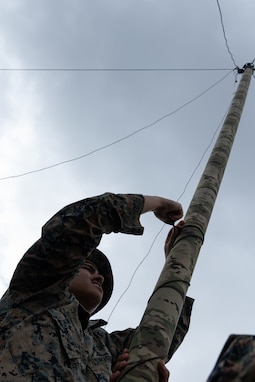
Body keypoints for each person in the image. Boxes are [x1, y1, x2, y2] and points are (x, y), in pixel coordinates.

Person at [0, 192, 193, 381]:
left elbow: (159, 336)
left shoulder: (102, 346)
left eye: (99, 274)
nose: (99, 277)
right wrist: (157, 203)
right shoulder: (38, 288)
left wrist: (174, 262)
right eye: (89, 268)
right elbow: (81, 222)